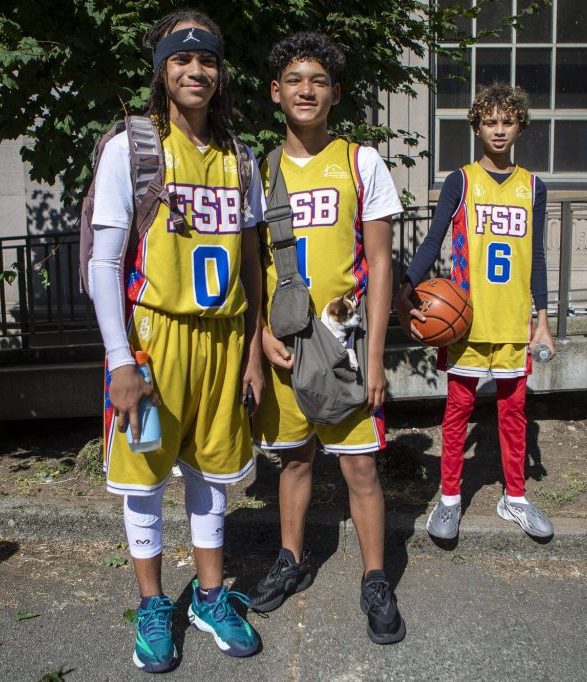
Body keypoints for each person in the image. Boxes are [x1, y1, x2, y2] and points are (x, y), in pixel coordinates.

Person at [88, 9, 266, 672]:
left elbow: (250, 263)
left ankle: (210, 597)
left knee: (212, 473)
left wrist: (251, 347)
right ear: (162, 70)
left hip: (222, 339)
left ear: (220, 73)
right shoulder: (132, 147)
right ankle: (154, 604)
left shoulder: (238, 155)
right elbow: (103, 264)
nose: (197, 71)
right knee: (144, 478)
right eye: (182, 59)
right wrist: (120, 361)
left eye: (208, 60)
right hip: (155, 340)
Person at [249, 32, 406, 645]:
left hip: (344, 344)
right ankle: (290, 559)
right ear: (275, 92)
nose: (305, 89)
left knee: (361, 468)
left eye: (317, 80)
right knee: (294, 459)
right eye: (294, 80)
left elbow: (381, 263)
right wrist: (258, 337)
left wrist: (375, 359)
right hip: (285, 342)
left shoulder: (361, 161)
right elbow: (251, 266)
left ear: (335, 93)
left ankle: (374, 578)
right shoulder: (259, 171)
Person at [396, 81, 555, 542]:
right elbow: (432, 239)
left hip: (512, 323)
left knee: (514, 411)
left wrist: (542, 321)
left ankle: (516, 497)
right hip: (466, 320)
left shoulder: (533, 186)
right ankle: (448, 500)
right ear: (477, 126)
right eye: (490, 121)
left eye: (507, 121)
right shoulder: (461, 180)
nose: (499, 130)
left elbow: (536, 256)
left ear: (520, 125)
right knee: (458, 409)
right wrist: (406, 287)